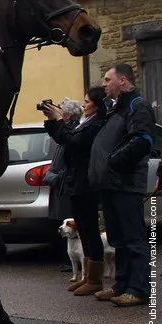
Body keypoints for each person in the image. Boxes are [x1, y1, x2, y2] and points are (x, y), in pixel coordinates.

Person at [88, 64, 155, 307]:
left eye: (108, 79)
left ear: (123, 81)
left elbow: (142, 141)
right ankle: (121, 284)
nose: (104, 84)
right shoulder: (118, 108)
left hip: (125, 183)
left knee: (133, 238)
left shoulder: (138, 106)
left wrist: (113, 162)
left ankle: (138, 289)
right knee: (117, 238)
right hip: (110, 184)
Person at [42, 87, 109, 295]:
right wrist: (54, 121)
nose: (84, 105)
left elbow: (73, 141)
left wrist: (58, 121)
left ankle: (95, 279)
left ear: (96, 106)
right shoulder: (86, 123)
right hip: (77, 181)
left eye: (87, 102)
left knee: (90, 229)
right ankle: (89, 276)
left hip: (86, 182)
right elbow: (65, 139)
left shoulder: (96, 124)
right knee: (84, 229)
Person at [40, 97, 86, 272]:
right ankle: (70, 261)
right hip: (60, 184)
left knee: (71, 222)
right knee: (64, 222)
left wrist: (56, 177)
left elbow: (69, 156)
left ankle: (73, 261)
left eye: (61, 110)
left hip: (65, 184)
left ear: (67, 114)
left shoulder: (73, 131)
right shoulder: (65, 130)